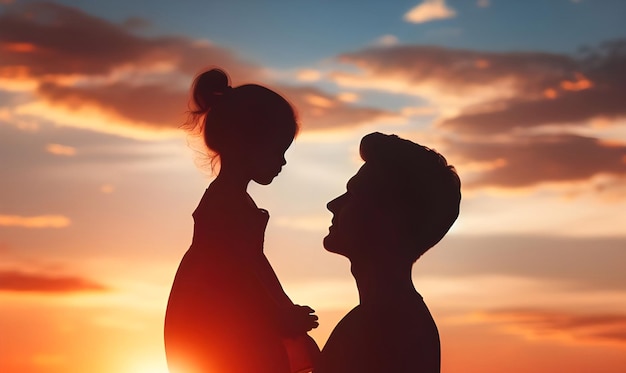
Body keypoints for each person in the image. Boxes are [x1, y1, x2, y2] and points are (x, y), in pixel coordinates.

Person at [164, 68, 319, 373]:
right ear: (245, 143)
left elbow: (251, 269)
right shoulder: (224, 204)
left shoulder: (233, 200)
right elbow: (234, 273)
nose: (283, 162)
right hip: (224, 322)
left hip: (234, 313)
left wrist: (281, 309)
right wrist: (277, 315)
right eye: (277, 151)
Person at [316, 132, 461, 373]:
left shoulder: (384, 325)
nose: (332, 204)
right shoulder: (397, 318)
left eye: (353, 194)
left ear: (388, 219)